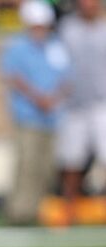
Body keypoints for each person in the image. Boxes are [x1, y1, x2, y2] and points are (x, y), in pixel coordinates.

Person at [0, 0, 71, 225]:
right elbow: (12, 76)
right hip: (28, 115)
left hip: (52, 115)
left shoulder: (56, 46)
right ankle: (19, 212)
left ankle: (40, 210)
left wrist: (54, 98)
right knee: (27, 164)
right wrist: (38, 97)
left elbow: (68, 77)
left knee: (46, 167)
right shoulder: (18, 46)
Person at [56, 0, 106, 220]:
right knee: (72, 161)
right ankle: (70, 209)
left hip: (101, 103)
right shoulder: (67, 29)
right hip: (74, 105)